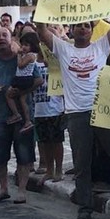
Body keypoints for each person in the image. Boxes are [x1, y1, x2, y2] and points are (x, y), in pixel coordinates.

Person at [36, 0, 110, 219]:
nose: (83, 29)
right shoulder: (63, 49)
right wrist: (41, 3)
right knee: (81, 162)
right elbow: (42, 31)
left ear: (91, 29)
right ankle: (85, 205)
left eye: (86, 25)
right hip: (76, 114)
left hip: (102, 110)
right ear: (72, 30)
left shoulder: (101, 46)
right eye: (78, 26)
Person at [0, 26, 42, 204]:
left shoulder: (22, 59)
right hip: (1, 117)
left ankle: (21, 190)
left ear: (11, 38)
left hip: (23, 116)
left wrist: (21, 91)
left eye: (4, 35)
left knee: (24, 154)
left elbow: (38, 80)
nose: (1, 38)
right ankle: (3, 188)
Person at [32, 40, 65, 183]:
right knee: (45, 142)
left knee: (57, 141)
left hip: (55, 108)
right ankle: (49, 169)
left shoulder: (56, 62)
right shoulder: (32, 63)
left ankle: (58, 169)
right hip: (39, 110)